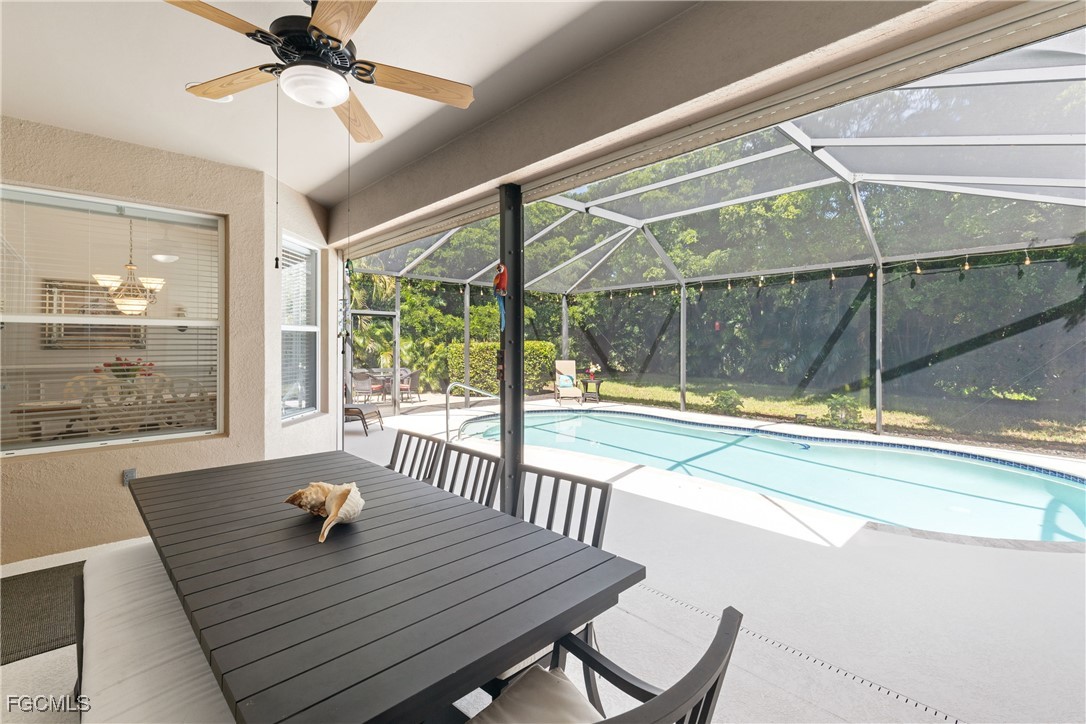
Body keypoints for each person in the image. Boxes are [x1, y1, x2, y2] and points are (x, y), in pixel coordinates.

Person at [493, 262, 508, 332]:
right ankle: (502, 327)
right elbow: (495, 286)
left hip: (502, 290)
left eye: (500, 268)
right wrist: (497, 291)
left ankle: (503, 326)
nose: (499, 270)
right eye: (498, 269)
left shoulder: (505, 275)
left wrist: (504, 290)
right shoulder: (498, 276)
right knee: (501, 309)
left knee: (502, 309)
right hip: (498, 290)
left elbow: (504, 284)